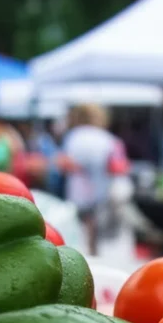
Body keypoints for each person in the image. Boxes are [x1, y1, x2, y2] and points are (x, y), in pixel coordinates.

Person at [59, 104, 124, 256]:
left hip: (78, 189)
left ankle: (81, 256)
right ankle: (95, 254)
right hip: (102, 189)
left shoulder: (74, 136)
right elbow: (118, 166)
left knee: (78, 228)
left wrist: (81, 168)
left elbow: (64, 164)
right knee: (98, 230)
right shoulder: (108, 138)